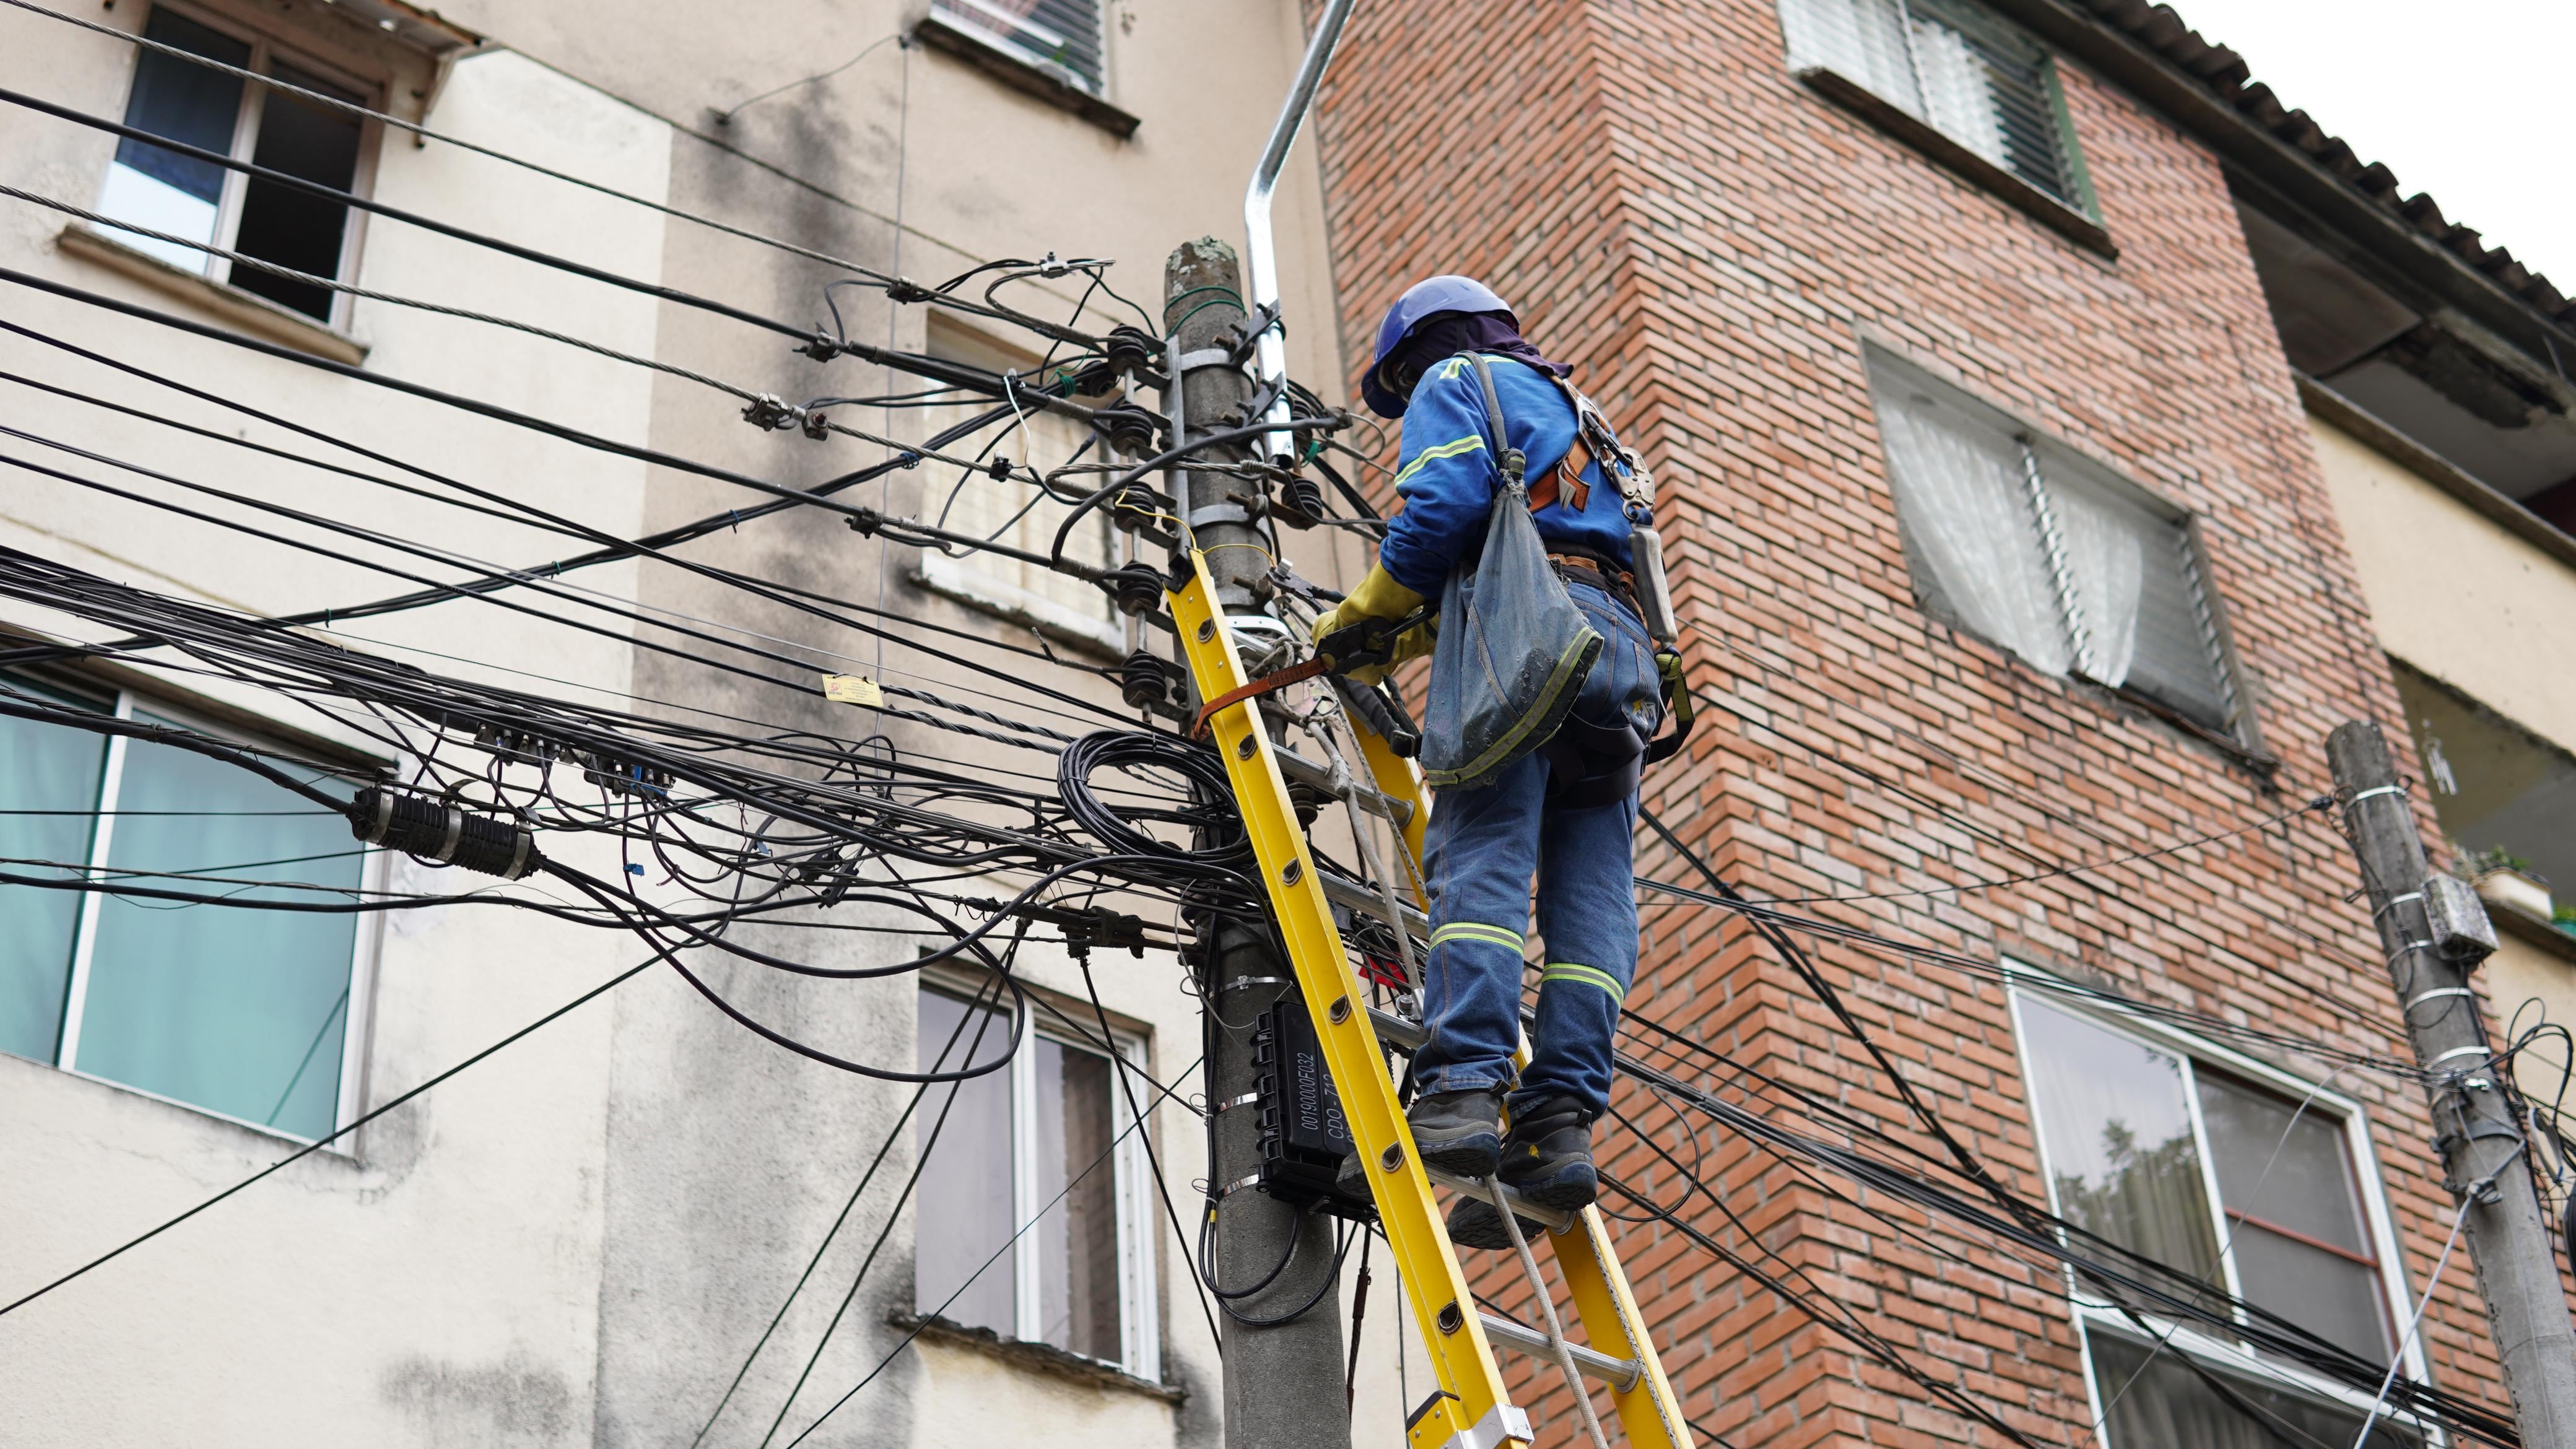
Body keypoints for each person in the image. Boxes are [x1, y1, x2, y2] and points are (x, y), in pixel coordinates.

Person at [1309, 276, 1664, 1245]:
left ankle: (1462, 1090)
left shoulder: (1457, 379)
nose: (1406, 394)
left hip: (1529, 644)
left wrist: (1361, 616)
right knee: (1594, 898)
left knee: (1482, 858)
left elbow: (1441, 512)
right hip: (1622, 657)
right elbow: (1520, 552)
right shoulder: (1584, 419)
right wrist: (1395, 637)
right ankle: (1557, 1126)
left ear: (1421, 349)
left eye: (1401, 379)